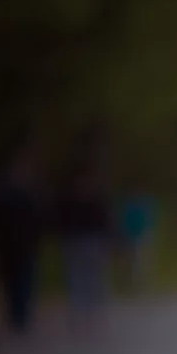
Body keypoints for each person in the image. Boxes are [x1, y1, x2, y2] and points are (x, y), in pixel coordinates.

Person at [0, 137, 45, 335]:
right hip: (12, 242)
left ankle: (18, 315)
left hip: (16, 242)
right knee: (16, 279)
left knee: (19, 279)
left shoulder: (20, 189)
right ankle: (18, 315)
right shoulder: (23, 190)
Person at [53, 128, 115, 327]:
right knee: (76, 278)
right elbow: (62, 219)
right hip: (74, 241)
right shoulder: (70, 199)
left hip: (93, 241)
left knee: (94, 279)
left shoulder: (97, 199)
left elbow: (105, 220)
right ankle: (80, 312)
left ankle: (93, 313)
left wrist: (108, 240)